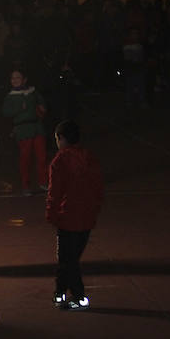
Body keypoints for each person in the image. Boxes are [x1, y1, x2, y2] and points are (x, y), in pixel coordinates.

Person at [47, 120, 104, 311]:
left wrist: (51, 214)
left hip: (68, 217)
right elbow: (98, 188)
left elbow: (55, 192)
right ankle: (60, 291)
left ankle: (78, 297)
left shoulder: (60, 161)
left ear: (61, 139)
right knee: (71, 258)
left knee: (67, 259)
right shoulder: (89, 158)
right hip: (86, 216)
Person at [1, 69, 48, 195]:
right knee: (25, 158)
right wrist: (18, 108)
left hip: (37, 127)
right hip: (23, 130)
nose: (15, 80)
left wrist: (42, 107)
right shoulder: (10, 96)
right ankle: (26, 185)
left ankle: (43, 182)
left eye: (18, 77)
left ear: (24, 79)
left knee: (42, 156)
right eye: (13, 78)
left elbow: (42, 103)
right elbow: (6, 112)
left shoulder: (33, 92)